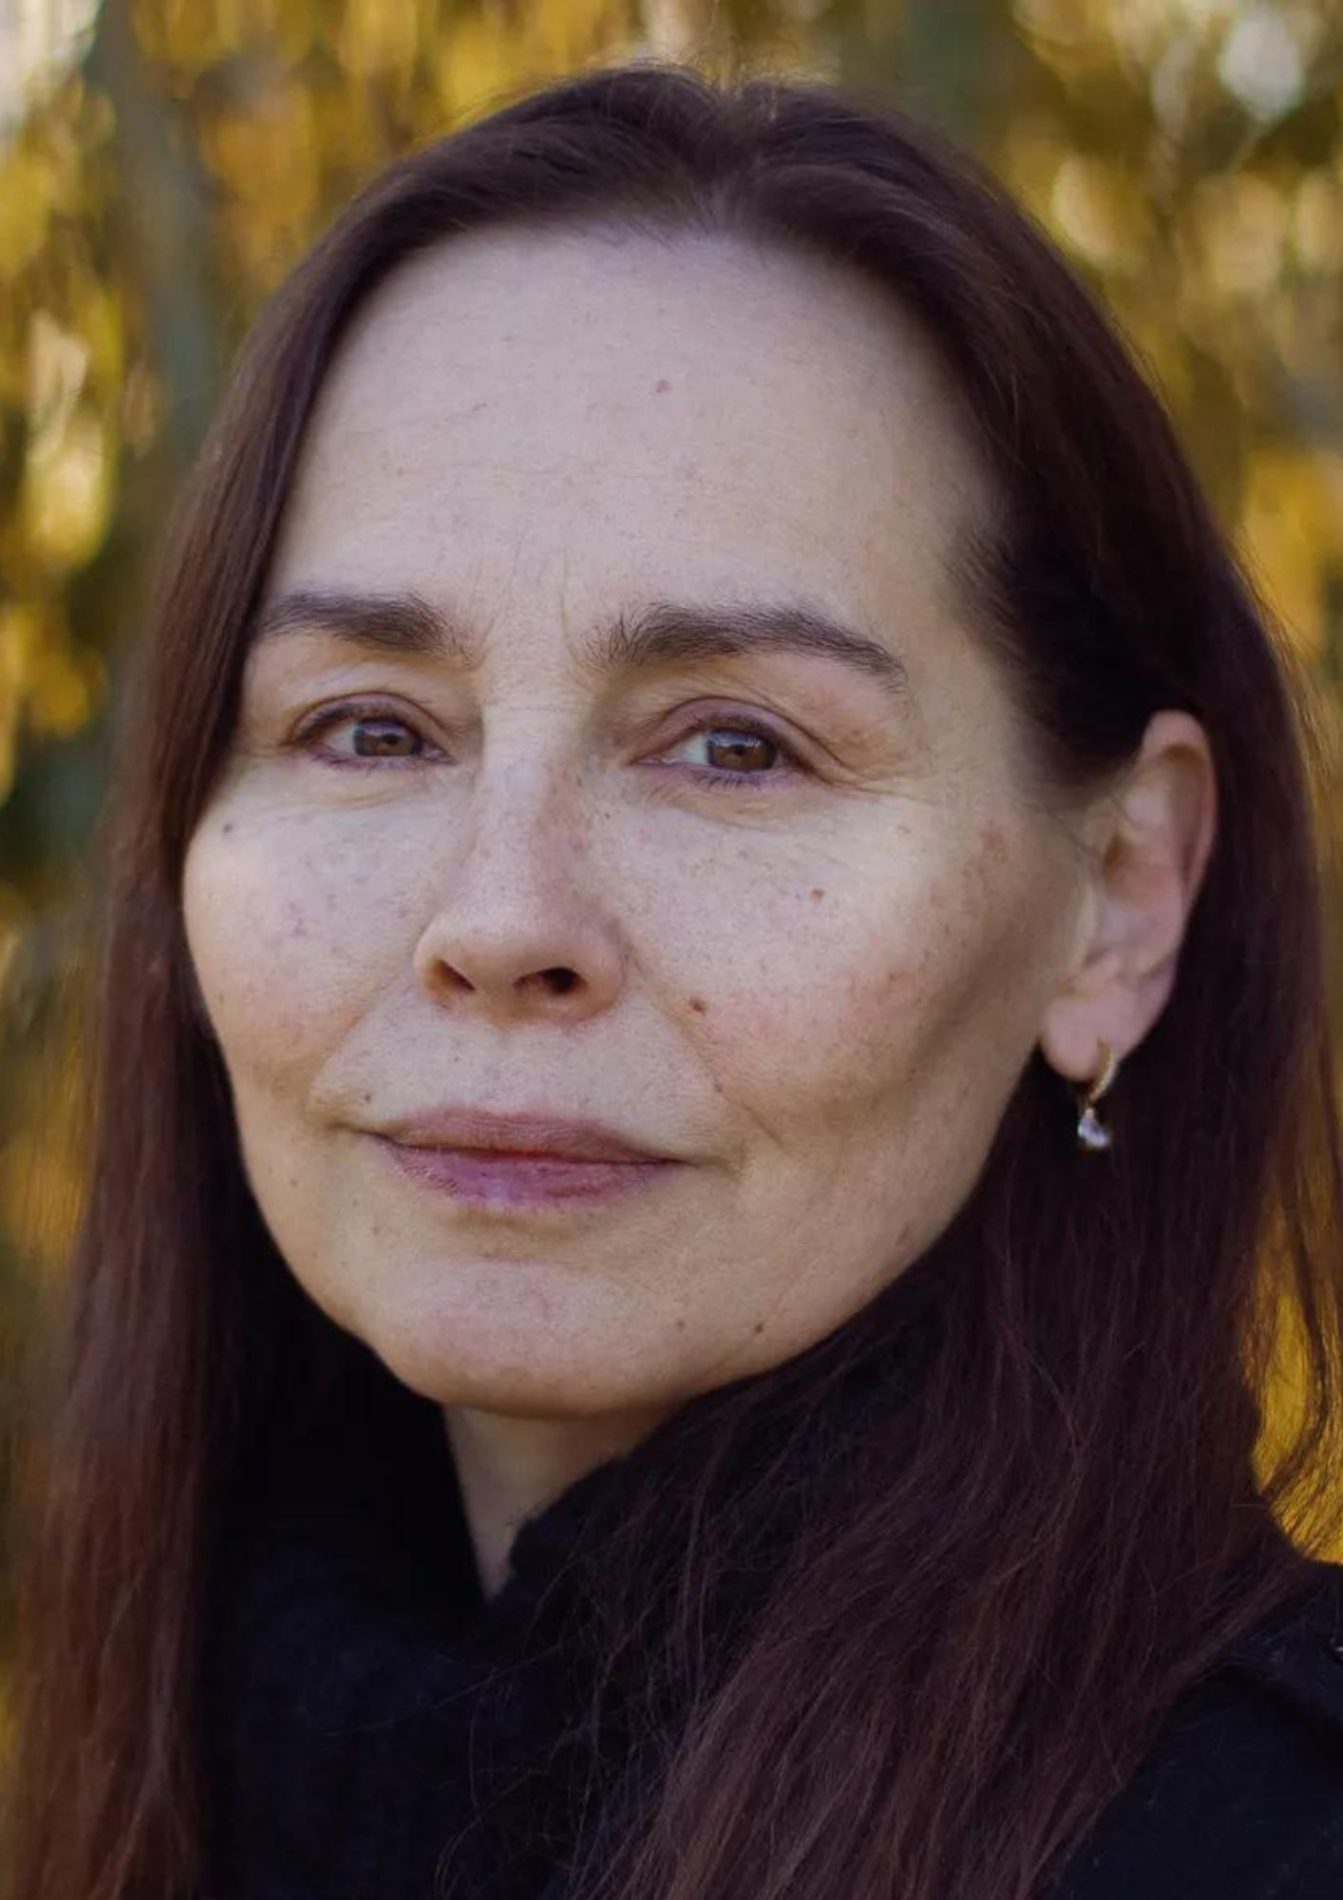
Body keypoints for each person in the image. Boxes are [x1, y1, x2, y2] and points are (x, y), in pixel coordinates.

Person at [6, 58, 1343, 1900]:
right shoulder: (182, 1771)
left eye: (736, 749)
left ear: (1115, 900)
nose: (499, 920)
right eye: (370, 727)